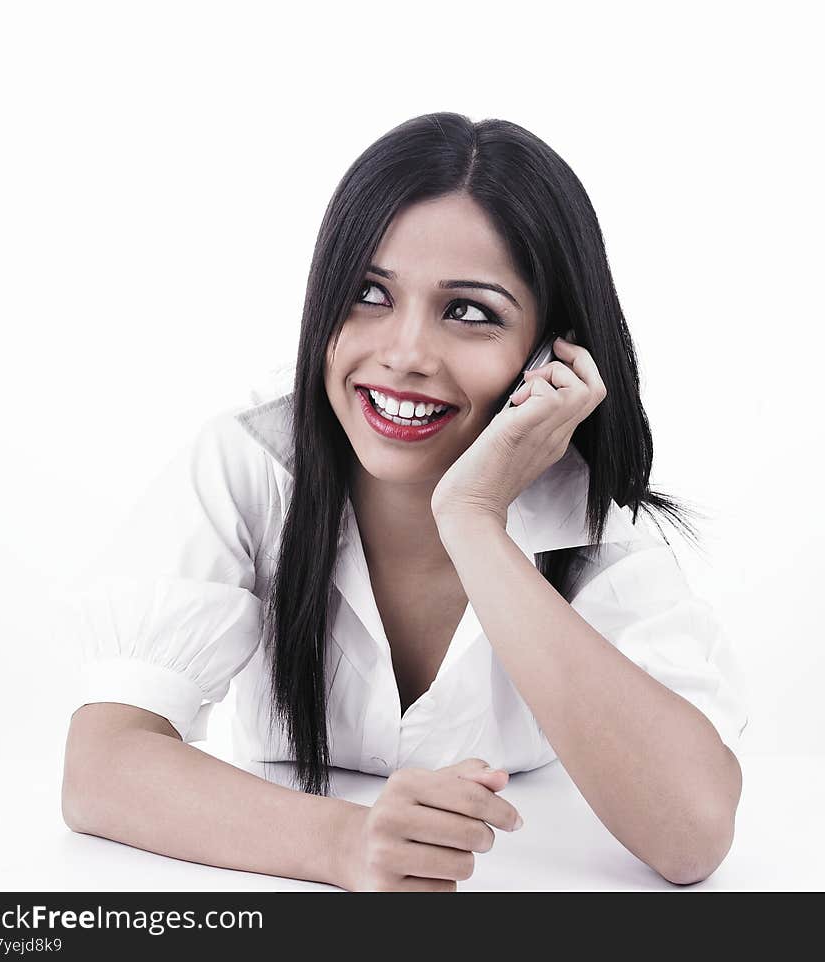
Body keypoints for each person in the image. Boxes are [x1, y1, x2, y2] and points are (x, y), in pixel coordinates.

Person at [60, 112, 749, 892]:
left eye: (469, 311)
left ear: (550, 353)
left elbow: (692, 836)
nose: (405, 355)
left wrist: (475, 521)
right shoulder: (249, 465)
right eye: (368, 294)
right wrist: (347, 845)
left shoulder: (589, 517)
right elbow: (101, 767)